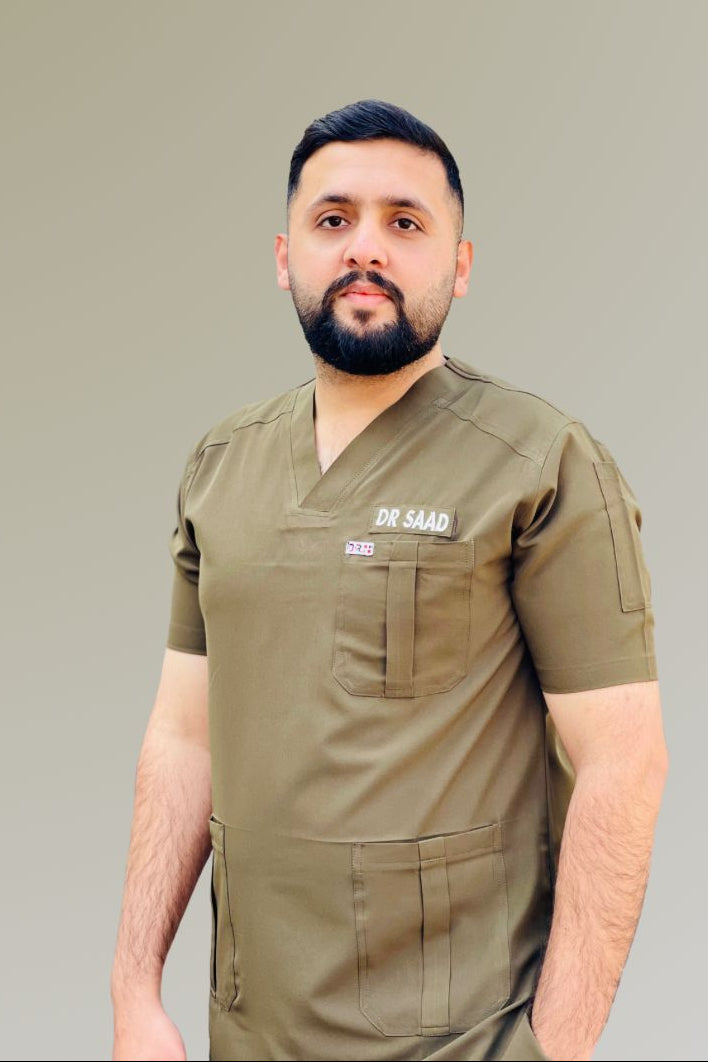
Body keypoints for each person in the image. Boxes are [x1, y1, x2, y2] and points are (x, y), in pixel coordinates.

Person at [110, 99, 668, 1062]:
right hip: (246, 1031)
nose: (365, 248)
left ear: (460, 264)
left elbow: (625, 762)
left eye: (406, 223)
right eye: (334, 220)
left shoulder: (541, 463)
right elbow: (181, 736)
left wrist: (556, 1050)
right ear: (285, 257)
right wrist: (133, 991)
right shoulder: (221, 465)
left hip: (459, 1040)